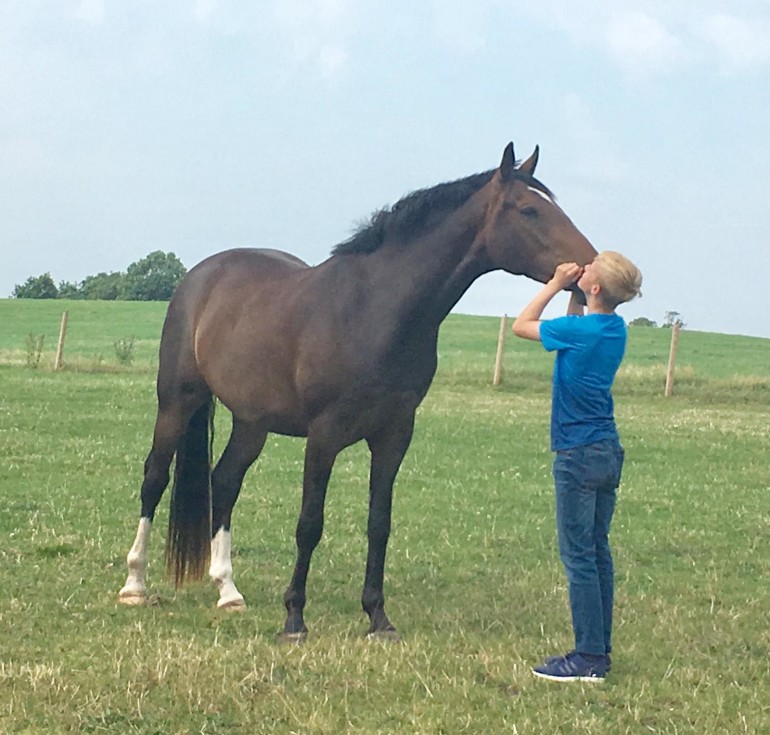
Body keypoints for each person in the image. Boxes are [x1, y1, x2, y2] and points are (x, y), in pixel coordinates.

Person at [512, 251, 642, 683]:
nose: (581, 270)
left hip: (577, 454)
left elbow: (521, 325)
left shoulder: (580, 330)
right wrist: (575, 293)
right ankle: (599, 650)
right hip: (606, 450)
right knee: (597, 551)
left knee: (579, 557)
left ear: (597, 288)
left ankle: (587, 658)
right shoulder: (610, 328)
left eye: (588, 271)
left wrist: (552, 283)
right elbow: (575, 325)